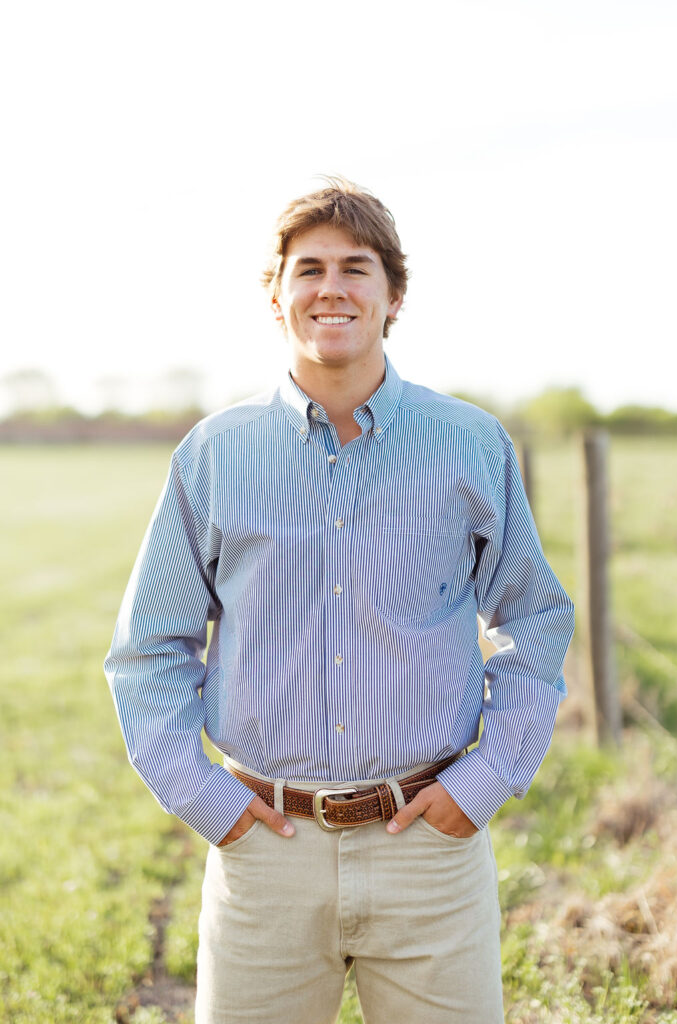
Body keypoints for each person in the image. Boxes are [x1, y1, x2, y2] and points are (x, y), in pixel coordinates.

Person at [105, 177, 574, 1024]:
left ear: (394, 296)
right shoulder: (212, 456)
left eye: (356, 268)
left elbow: (534, 619)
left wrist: (487, 778)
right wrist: (207, 800)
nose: (332, 287)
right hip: (264, 854)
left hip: (429, 850)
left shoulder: (470, 445)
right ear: (276, 296)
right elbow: (149, 651)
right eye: (309, 268)